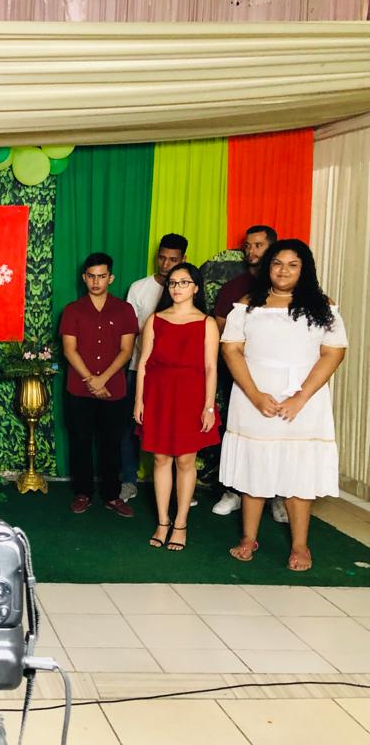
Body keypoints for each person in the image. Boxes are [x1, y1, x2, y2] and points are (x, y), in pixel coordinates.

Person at [221, 239, 347, 572]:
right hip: (254, 397)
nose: (283, 270)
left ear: (304, 269)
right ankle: (249, 538)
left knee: (298, 472)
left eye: (293, 264)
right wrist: (255, 394)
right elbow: (231, 349)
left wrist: (300, 397)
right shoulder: (248, 304)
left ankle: (300, 545)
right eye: (277, 263)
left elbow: (333, 352)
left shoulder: (323, 306)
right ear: (268, 266)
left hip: (304, 401)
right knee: (254, 468)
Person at [134, 263, 220, 551]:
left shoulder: (207, 323)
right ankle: (163, 521)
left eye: (184, 282)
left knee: (185, 461)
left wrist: (208, 406)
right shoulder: (155, 320)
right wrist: (139, 400)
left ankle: (181, 523)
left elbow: (211, 367)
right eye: (173, 282)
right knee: (160, 459)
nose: (177, 287)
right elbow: (144, 364)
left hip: (191, 397)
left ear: (196, 288)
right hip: (159, 395)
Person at [210, 225, 284, 518]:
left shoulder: (287, 288)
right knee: (237, 430)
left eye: (258, 245)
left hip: (278, 375)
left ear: (272, 247)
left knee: (277, 432)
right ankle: (234, 491)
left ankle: (277, 494)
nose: (251, 251)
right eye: (248, 246)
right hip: (238, 374)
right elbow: (220, 329)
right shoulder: (233, 287)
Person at [60, 252, 139, 518]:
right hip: (78, 389)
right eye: (91, 276)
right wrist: (91, 380)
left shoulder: (124, 310)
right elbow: (69, 350)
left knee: (111, 443)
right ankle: (82, 493)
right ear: (84, 278)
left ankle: (112, 495)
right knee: (80, 441)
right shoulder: (72, 310)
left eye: (101, 276)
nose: (96, 282)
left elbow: (127, 350)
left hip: (113, 388)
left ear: (110, 278)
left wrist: (102, 379)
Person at [121, 233, 189, 502]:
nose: (165, 264)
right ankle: (128, 480)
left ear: (183, 259)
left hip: (174, 375)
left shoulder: (186, 289)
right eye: (162, 257)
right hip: (138, 368)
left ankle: (175, 486)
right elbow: (129, 331)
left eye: (172, 259)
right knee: (130, 426)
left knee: (172, 428)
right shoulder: (139, 288)